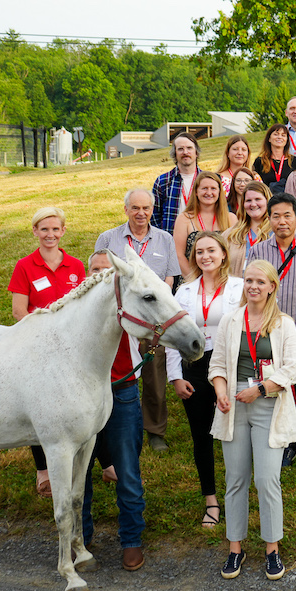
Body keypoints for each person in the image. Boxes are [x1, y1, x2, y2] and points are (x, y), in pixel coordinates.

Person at [210, 259, 296, 581]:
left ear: (272, 287)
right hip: (233, 405)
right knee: (235, 480)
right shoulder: (230, 321)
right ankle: (235, 549)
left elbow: (293, 369)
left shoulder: (284, 323)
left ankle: (272, 549)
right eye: (248, 281)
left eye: (260, 282)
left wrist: (261, 388)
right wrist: (221, 392)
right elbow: (218, 365)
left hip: (269, 403)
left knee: (267, 480)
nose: (253, 287)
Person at [165, 232, 244, 531]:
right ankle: (211, 499)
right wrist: (176, 377)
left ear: (223, 253)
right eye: (199, 252)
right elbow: (174, 337)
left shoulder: (239, 287)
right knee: (202, 436)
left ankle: (236, 494)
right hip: (195, 368)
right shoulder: (184, 292)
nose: (205, 256)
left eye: (211, 250)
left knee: (234, 435)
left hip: (230, 366)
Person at [94, 190, 181, 453]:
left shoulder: (164, 239)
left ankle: (155, 431)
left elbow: (169, 279)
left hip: (153, 321)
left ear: (152, 210)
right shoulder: (108, 238)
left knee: (154, 377)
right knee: (117, 377)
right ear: (126, 210)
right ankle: (109, 426)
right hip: (121, 319)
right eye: (135, 208)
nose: (140, 213)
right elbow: (99, 276)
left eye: (145, 208)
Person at [246, 194, 296, 470]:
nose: (282, 221)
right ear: (269, 219)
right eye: (276, 216)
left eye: (287, 215)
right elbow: (252, 293)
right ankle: (287, 445)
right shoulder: (258, 252)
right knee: (278, 392)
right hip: (268, 335)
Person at [9, 206, 87, 497]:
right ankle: (43, 467)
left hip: (71, 347)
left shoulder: (76, 267)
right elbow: (19, 311)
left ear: (63, 231)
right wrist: (47, 328)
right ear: (35, 232)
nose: (50, 234)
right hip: (38, 345)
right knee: (40, 406)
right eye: (44, 229)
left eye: (55, 229)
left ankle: (92, 458)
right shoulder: (25, 266)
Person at [79, 250, 148, 572]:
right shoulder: (75, 310)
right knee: (79, 473)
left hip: (121, 391)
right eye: (95, 270)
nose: (100, 275)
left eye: (107, 271)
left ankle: (131, 540)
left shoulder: (125, 304)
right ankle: (81, 535)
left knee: (127, 473)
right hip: (81, 396)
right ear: (85, 274)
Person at [173, 171, 232, 279]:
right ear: (196, 191)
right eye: (204, 188)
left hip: (224, 281)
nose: (209, 192)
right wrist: (195, 281)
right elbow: (178, 255)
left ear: (220, 192)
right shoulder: (184, 219)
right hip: (191, 280)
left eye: (213, 188)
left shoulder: (231, 219)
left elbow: (234, 253)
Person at [151, 132, 200, 235]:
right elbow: (154, 216)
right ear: (175, 154)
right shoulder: (163, 181)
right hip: (171, 240)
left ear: (196, 152)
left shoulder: (208, 181)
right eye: (180, 149)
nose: (185, 152)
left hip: (202, 240)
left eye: (189, 148)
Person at [224, 180, 272, 277]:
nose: (253, 204)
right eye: (248, 201)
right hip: (238, 289)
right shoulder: (230, 234)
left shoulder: (279, 231)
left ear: (268, 200)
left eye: (258, 199)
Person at [253, 124, 296, 195]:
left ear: (287, 140)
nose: (279, 137)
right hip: (266, 201)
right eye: (276, 134)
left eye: (283, 135)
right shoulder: (260, 161)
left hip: (288, 202)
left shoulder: (295, 161)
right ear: (269, 139)